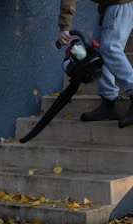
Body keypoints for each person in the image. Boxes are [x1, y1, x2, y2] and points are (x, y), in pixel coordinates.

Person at [57, 0, 133, 128]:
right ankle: (109, 104)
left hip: (120, 2)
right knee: (96, 54)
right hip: (108, 5)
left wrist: (64, 27)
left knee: (110, 48)